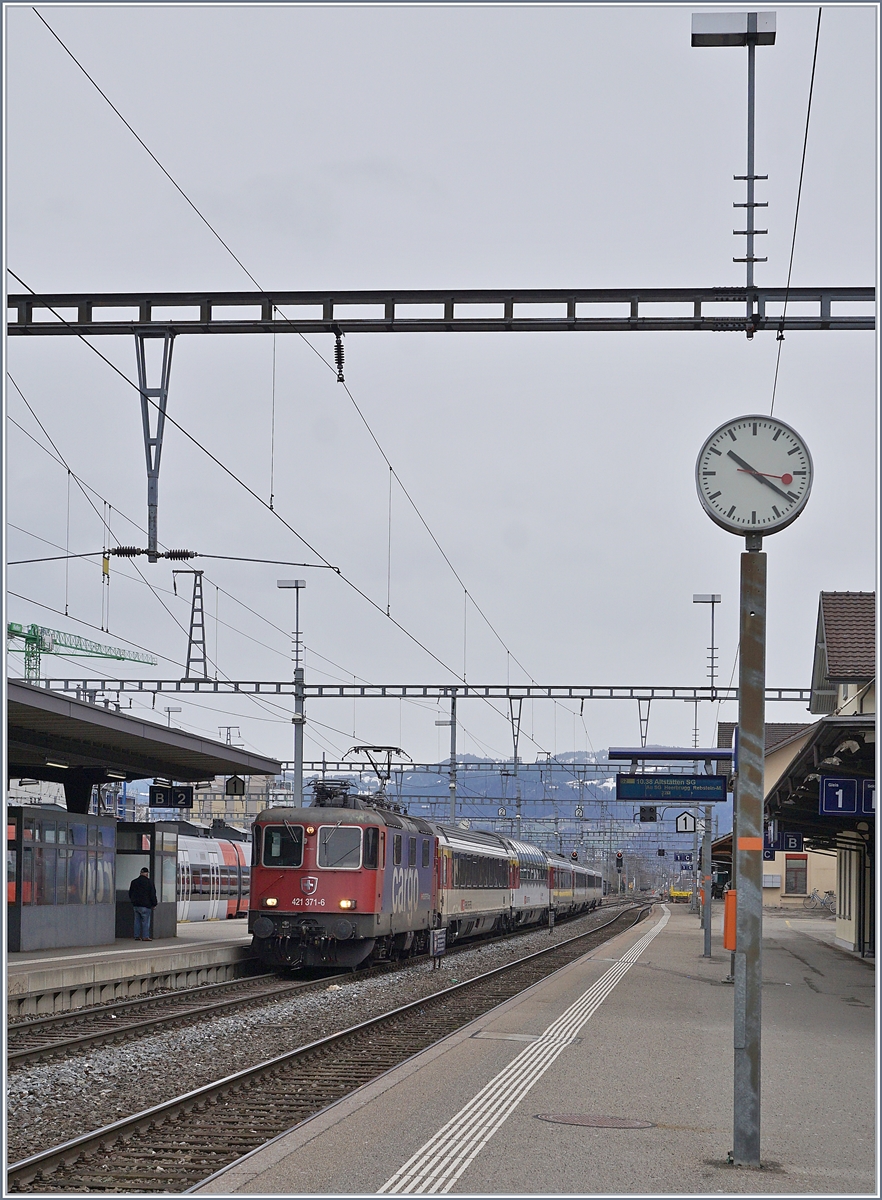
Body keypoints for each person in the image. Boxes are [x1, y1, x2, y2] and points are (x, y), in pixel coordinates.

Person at [129, 867, 158, 941]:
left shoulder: (134, 882)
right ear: (147, 874)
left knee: (137, 921)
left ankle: (137, 936)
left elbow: (130, 893)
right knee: (145, 922)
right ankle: (145, 936)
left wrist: (133, 901)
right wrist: (154, 904)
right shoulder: (149, 882)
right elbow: (152, 894)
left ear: (140, 873)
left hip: (136, 905)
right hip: (146, 905)